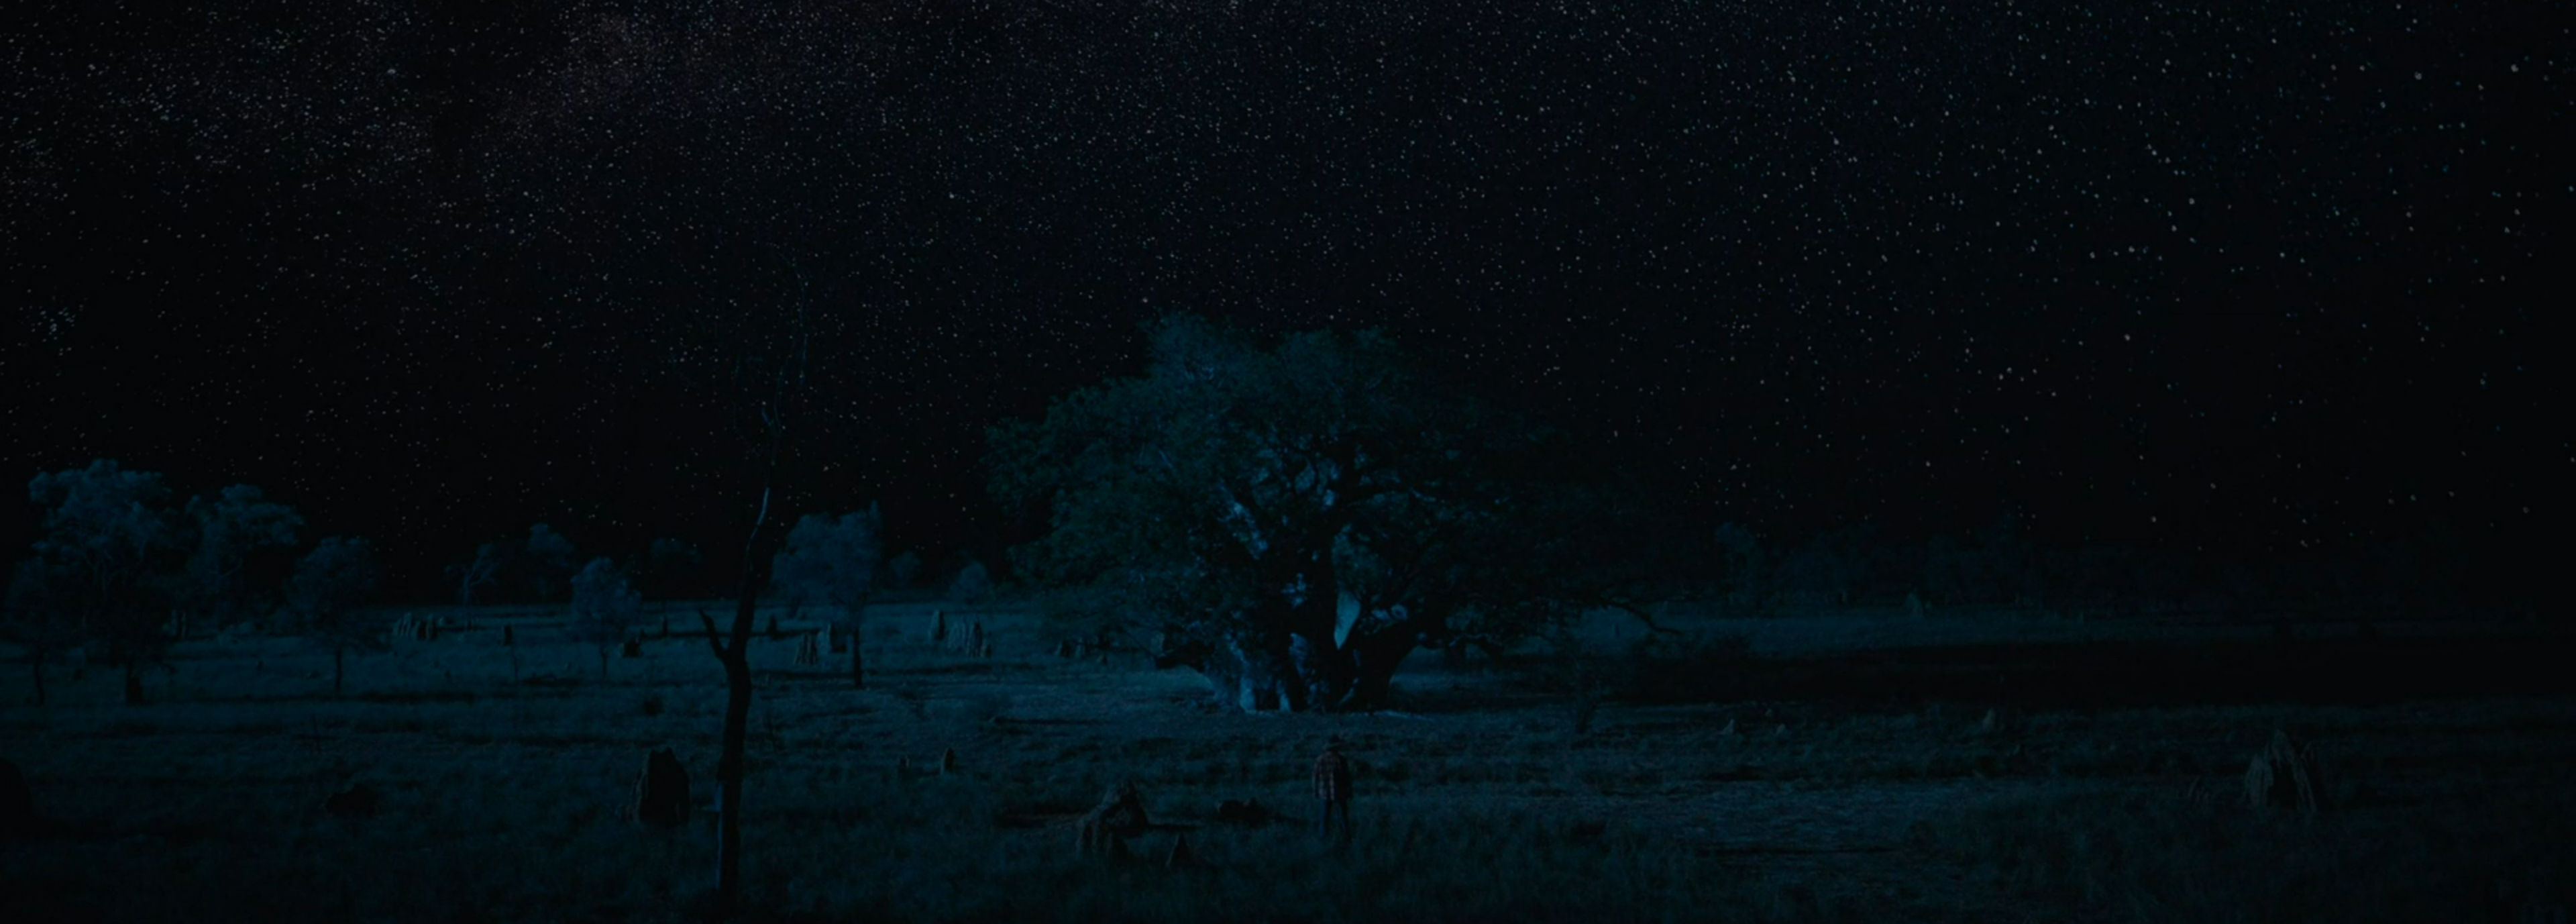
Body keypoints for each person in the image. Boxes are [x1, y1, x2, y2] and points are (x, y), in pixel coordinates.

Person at [1313, 736, 1353, 842]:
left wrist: (1316, 792)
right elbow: (1347, 777)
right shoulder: (1341, 760)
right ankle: (1346, 839)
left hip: (1324, 792)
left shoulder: (1320, 759)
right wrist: (1350, 791)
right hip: (1340, 792)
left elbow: (1315, 777)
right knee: (1343, 818)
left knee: (1324, 819)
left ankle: (1323, 839)